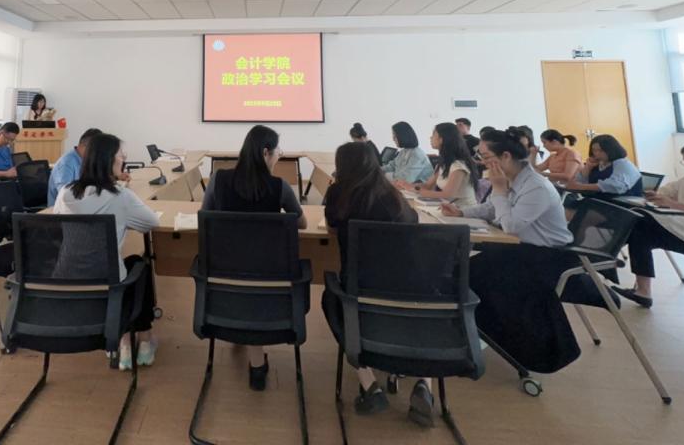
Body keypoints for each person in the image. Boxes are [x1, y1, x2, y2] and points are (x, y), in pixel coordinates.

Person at [443, 127, 579, 373]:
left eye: (486, 157)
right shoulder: (512, 179)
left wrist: (498, 189)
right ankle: (477, 332)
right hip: (520, 249)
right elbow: (492, 209)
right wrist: (462, 212)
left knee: (472, 276)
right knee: (461, 270)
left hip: (547, 256)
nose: (482, 162)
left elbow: (511, 225)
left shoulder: (536, 186)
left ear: (505, 156)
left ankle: (500, 340)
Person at [322, 143, 435, 426]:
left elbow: (332, 225)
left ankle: (369, 384)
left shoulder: (339, 193)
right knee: (419, 316)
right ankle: (424, 384)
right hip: (409, 289)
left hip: (359, 288)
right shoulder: (392, 194)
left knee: (332, 301)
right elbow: (413, 222)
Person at [201, 125, 307, 391]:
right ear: (265, 152)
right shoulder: (279, 187)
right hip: (268, 281)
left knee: (243, 270)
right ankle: (257, 364)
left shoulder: (218, 180)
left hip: (225, 279)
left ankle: (249, 349)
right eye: (278, 151)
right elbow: (301, 223)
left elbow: (206, 216)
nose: (279, 156)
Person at [53, 133, 160, 369]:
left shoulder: (65, 193)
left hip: (66, 281)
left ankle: (125, 342)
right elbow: (151, 222)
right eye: (122, 156)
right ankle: (141, 340)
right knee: (138, 265)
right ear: (108, 160)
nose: (124, 160)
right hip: (107, 284)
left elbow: (60, 227)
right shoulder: (120, 197)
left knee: (125, 266)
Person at [613, 140, 684, 309]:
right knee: (640, 230)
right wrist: (656, 196)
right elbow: (667, 191)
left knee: (641, 220)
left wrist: (676, 205)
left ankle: (606, 256)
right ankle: (643, 292)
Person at [395, 122, 479, 209]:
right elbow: (428, 185)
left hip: (464, 211)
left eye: (433, 135)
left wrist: (417, 190)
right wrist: (408, 185)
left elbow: (447, 194)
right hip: (449, 208)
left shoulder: (458, 166)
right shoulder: (443, 163)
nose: (430, 137)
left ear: (442, 139)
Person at [564, 134, 642, 201]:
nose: (596, 153)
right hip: (598, 202)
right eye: (594, 150)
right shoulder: (598, 163)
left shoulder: (623, 163)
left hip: (622, 205)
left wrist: (581, 187)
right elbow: (578, 182)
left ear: (611, 150)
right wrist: (588, 167)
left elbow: (616, 186)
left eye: (601, 150)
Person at [48, 128, 103, 207]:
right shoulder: (66, 164)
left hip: (80, 205)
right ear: (85, 146)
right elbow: (65, 196)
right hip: (62, 210)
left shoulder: (85, 160)